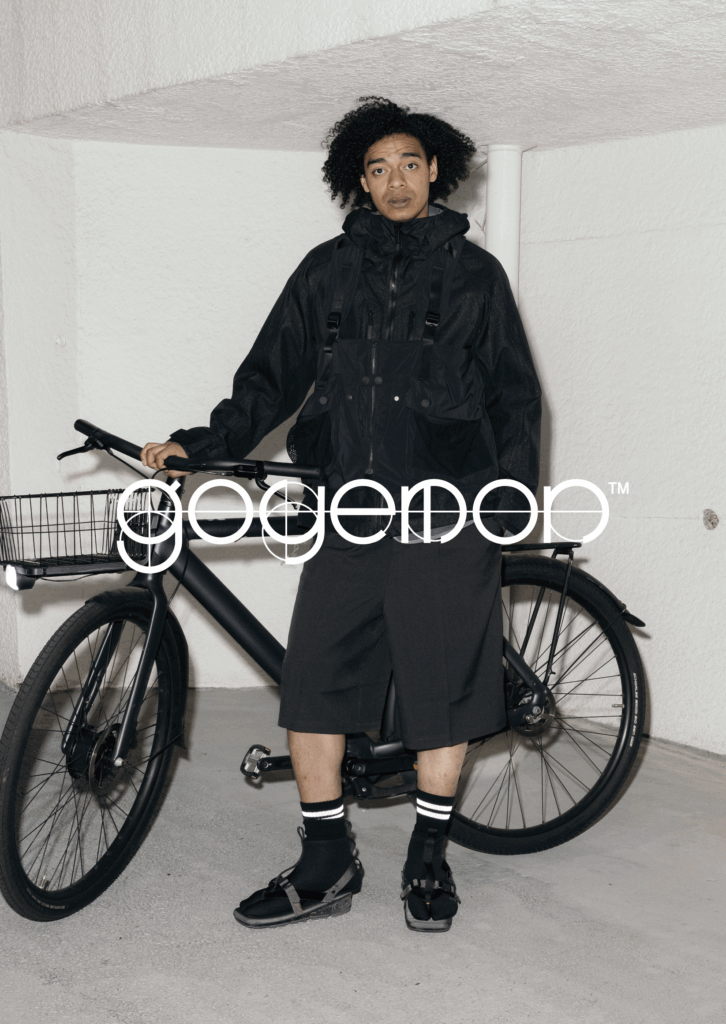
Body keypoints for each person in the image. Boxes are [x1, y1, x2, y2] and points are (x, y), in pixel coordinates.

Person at [141, 96, 542, 932]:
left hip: (445, 517)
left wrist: (510, 497)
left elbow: (514, 396)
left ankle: (427, 856)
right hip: (347, 515)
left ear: (435, 171)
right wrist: (201, 443)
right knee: (314, 687)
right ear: (358, 180)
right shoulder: (325, 271)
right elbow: (269, 377)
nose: (394, 182)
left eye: (409, 164)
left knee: (442, 691)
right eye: (377, 168)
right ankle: (327, 859)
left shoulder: (476, 278)